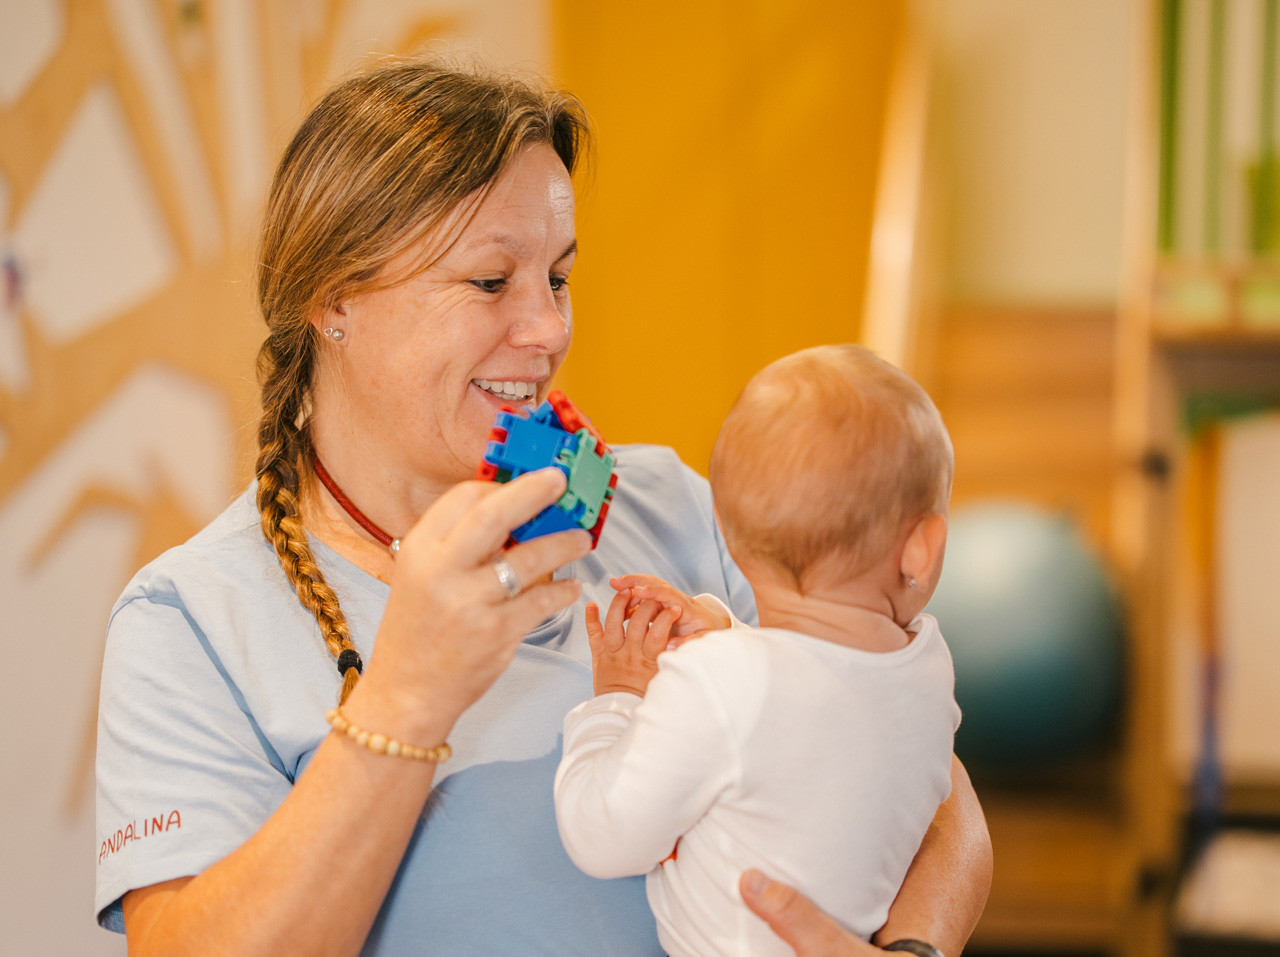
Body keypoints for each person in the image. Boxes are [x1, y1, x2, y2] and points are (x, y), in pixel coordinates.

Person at [94, 58, 991, 956]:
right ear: (334, 298)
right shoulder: (189, 622)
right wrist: (403, 700)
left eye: (557, 278)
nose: (550, 329)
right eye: (491, 281)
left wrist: (912, 950)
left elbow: (927, 776)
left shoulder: (673, 508)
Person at [554, 345, 961, 957]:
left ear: (726, 532)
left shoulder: (716, 682)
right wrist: (725, 633)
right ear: (922, 548)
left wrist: (615, 699)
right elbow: (825, 693)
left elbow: (600, 837)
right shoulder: (928, 667)